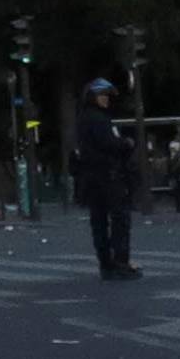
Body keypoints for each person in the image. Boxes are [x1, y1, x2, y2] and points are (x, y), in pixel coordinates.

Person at [73, 76, 140, 280]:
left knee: (99, 221)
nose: (106, 99)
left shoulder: (83, 118)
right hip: (109, 175)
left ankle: (105, 263)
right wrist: (126, 143)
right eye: (102, 95)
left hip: (91, 177)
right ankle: (120, 261)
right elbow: (109, 143)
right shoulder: (100, 119)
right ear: (93, 97)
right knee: (120, 218)